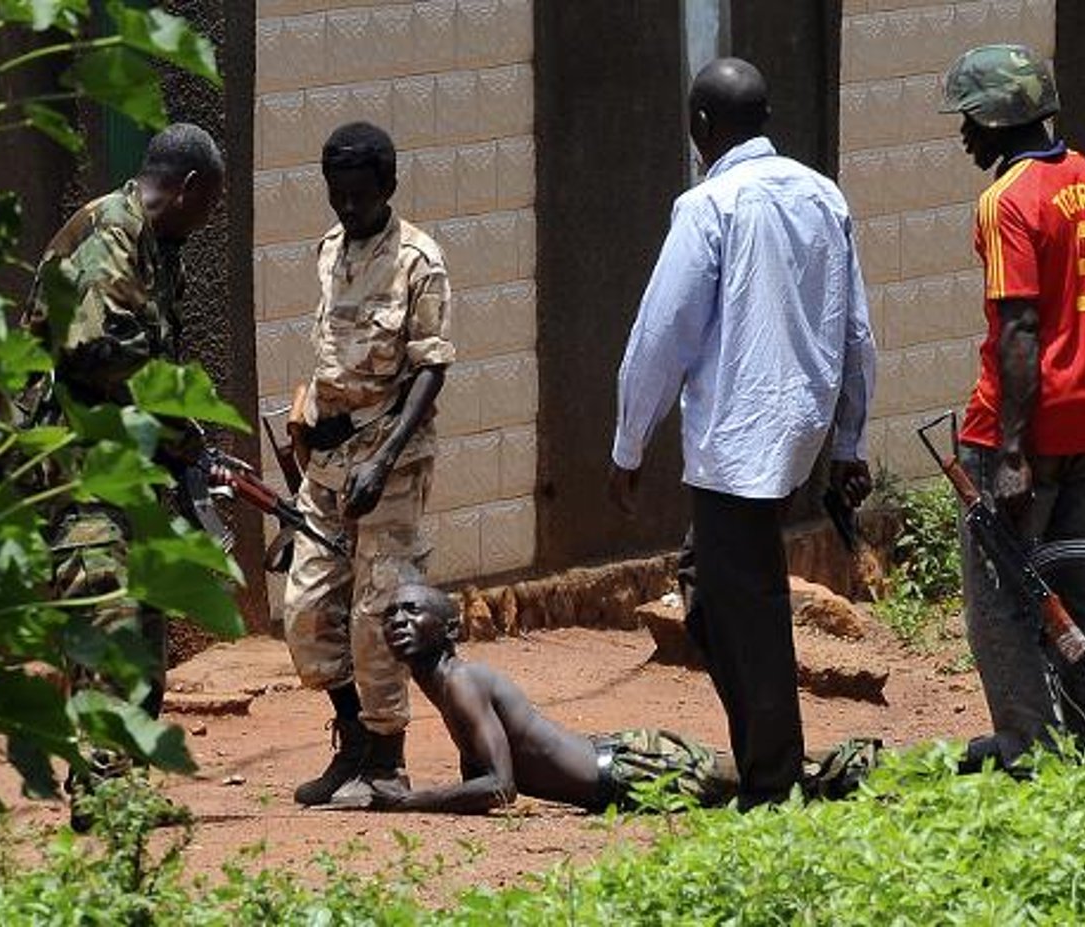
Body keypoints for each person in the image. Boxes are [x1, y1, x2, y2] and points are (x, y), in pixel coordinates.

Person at [607, 58, 877, 811]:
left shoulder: (708, 205)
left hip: (737, 439)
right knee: (713, 587)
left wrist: (628, 446)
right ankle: (768, 754)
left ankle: (771, 780)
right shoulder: (823, 196)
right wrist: (848, 440)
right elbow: (857, 329)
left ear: (701, 127)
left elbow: (660, 334)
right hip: (796, 430)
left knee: (744, 606)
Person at [940, 45, 1085, 769]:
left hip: (1018, 437)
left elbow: (1019, 325)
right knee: (1077, 587)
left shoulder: (1008, 200)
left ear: (1000, 115)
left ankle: (1026, 752)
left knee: (1001, 605)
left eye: (970, 119)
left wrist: (1007, 451)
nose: (964, 135)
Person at [20, 122, 225, 825]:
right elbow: (95, 352)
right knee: (105, 607)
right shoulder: (111, 231)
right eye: (210, 205)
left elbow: (151, 358)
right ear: (189, 187)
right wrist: (176, 426)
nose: (208, 221)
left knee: (142, 624)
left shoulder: (160, 247)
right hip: (71, 461)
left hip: (120, 462)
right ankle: (101, 789)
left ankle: (121, 784)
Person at [283, 122, 455, 807]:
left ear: (387, 185)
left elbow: (429, 370)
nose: (346, 208)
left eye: (357, 195)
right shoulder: (328, 250)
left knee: (374, 613)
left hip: (390, 463)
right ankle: (350, 739)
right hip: (325, 464)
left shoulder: (419, 261)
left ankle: (387, 761)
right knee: (305, 609)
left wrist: (381, 461)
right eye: (335, 194)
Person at [344, 583, 740, 814]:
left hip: (632, 772)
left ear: (450, 628)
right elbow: (478, 776)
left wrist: (410, 802)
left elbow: (500, 786)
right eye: (390, 614)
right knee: (767, 774)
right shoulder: (450, 684)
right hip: (618, 760)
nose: (397, 620)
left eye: (412, 610)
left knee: (775, 779)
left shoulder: (462, 682)